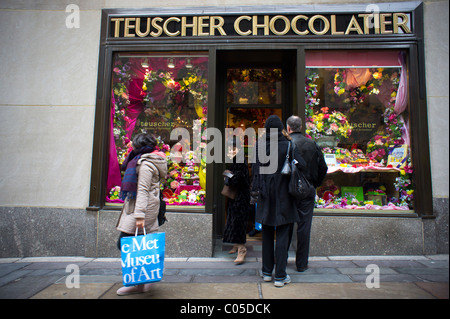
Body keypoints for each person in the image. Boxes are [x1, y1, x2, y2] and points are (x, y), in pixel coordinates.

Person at [253, 115, 306, 287]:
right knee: (283, 234)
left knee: (267, 233)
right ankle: (280, 276)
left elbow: (254, 171)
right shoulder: (289, 144)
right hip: (285, 194)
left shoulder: (260, 146)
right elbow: (302, 165)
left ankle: (267, 271)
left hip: (266, 194)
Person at [115, 133, 168, 296]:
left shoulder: (145, 164)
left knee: (127, 245)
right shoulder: (151, 160)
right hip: (146, 207)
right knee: (138, 245)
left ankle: (137, 283)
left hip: (141, 209)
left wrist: (139, 216)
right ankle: (144, 281)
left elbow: (143, 190)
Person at [286, 115, 328, 272]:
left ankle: (282, 259)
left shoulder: (287, 144)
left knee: (286, 225)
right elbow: (323, 167)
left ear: (289, 128)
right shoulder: (312, 144)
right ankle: (302, 263)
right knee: (304, 227)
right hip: (307, 189)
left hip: (289, 190)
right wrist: (314, 183)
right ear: (301, 127)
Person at [222, 138, 251, 265]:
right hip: (237, 196)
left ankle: (242, 250)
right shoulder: (236, 159)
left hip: (240, 197)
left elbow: (240, 179)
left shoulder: (239, 160)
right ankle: (236, 245)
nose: (230, 151)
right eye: (229, 148)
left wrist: (228, 176)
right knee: (233, 220)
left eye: (233, 148)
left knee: (238, 222)